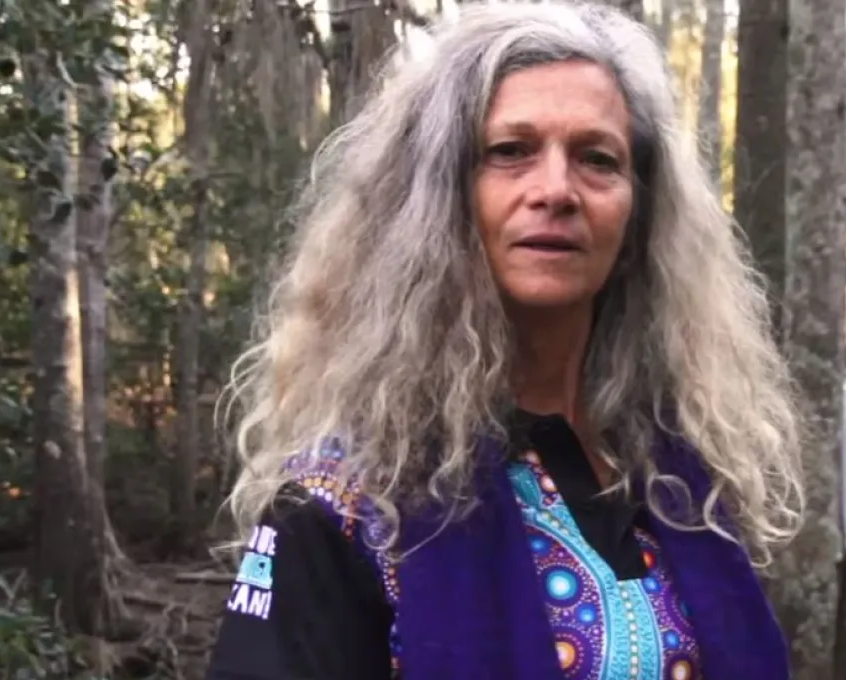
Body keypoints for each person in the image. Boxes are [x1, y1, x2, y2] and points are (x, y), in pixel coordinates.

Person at [205, 2, 803, 679]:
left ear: (639, 214)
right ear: (438, 197)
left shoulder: (682, 485)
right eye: (510, 152)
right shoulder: (341, 509)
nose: (556, 189)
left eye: (596, 158)